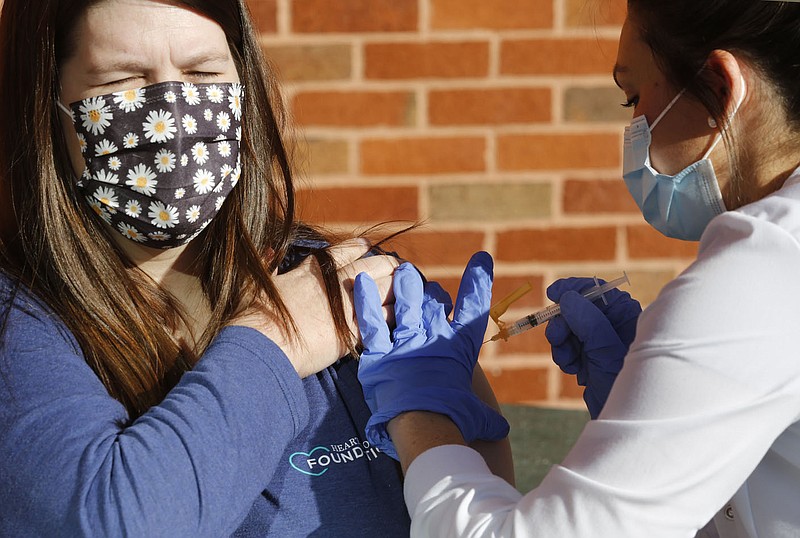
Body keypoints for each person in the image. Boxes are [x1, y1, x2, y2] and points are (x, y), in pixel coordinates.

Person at [0, 1, 514, 536]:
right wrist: (275, 339)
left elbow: (480, 512)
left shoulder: (351, 288)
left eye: (202, 73)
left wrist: (442, 429)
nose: (174, 112)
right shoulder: (20, 320)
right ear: (45, 105)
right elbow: (108, 523)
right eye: (123, 80)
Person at [350, 1, 800, 536]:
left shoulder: (764, 266)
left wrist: (421, 417)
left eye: (634, 97)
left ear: (721, 90)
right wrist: (657, 413)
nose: (635, 126)